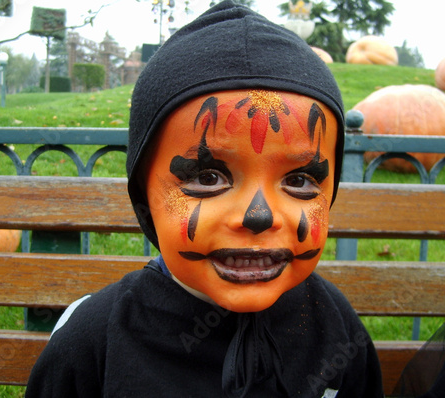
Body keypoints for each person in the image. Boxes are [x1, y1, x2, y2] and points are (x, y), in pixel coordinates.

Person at [26, 1, 384, 397]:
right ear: (144, 195)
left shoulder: (334, 327)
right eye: (209, 177)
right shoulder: (95, 341)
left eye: (299, 180)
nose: (259, 216)